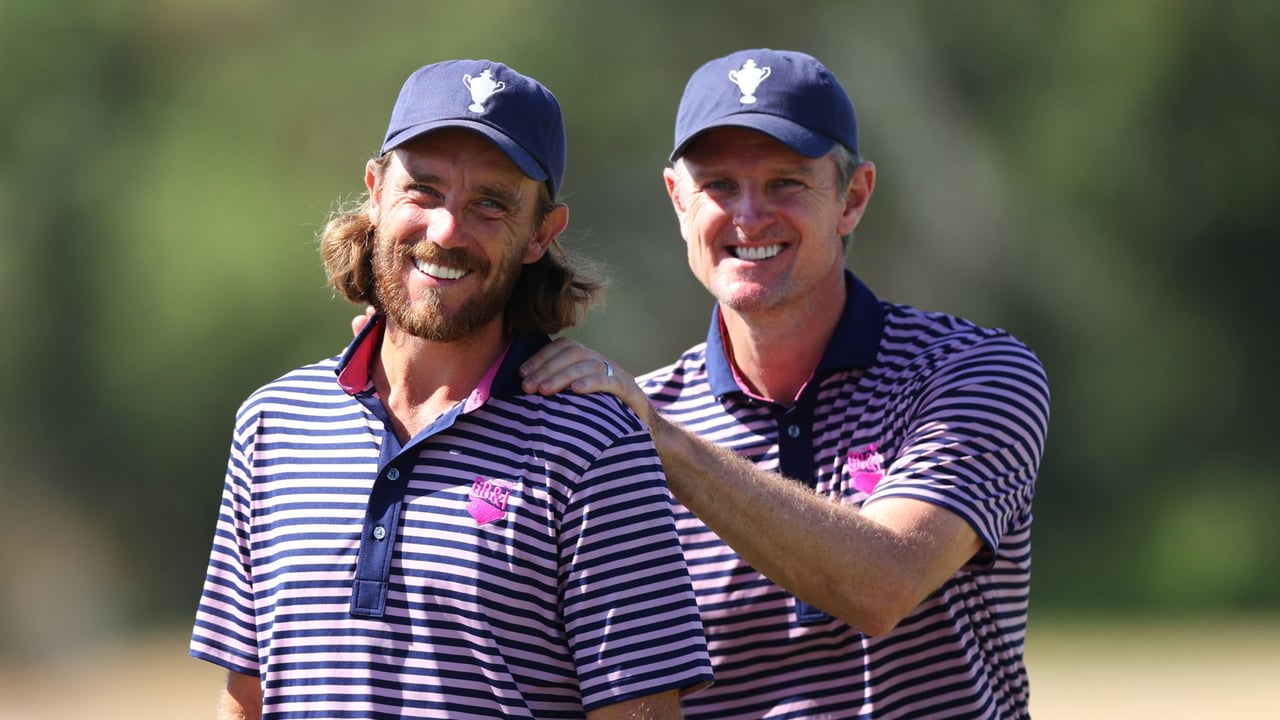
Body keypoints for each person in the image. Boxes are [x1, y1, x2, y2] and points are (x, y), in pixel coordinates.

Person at [517, 48, 1051, 718]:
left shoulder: (971, 373)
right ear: (678, 201)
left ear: (851, 200)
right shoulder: (636, 423)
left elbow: (883, 584)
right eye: (718, 186)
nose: (748, 216)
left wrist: (661, 442)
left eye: (786, 183)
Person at [190, 59, 712, 719]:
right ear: (376, 192)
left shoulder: (596, 449)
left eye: (489, 203)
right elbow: (246, 703)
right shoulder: (273, 425)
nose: (446, 231)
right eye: (424, 190)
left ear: (540, 235)